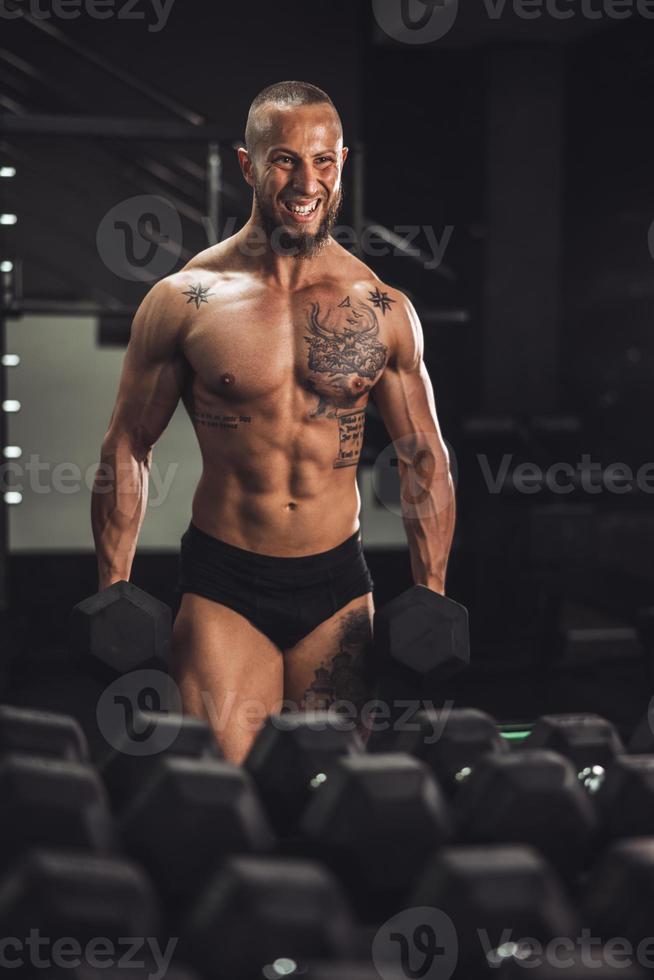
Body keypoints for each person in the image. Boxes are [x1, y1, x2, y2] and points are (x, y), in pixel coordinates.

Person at [91, 80, 456, 764]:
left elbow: (423, 455)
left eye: (323, 161)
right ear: (247, 165)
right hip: (225, 582)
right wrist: (113, 586)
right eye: (285, 159)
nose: (306, 180)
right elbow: (128, 445)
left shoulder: (382, 308)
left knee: (336, 791)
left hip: (336, 587)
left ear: (342, 162)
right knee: (228, 788)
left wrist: (431, 590)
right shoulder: (186, 300)